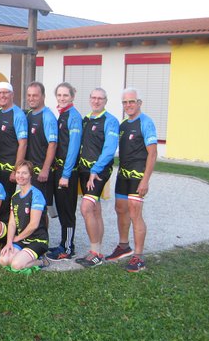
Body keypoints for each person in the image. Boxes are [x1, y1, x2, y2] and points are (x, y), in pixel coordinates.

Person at [108, 88, 158, 272]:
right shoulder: (123, 125)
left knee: (135, 212)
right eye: (125, 102)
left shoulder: (146, 122)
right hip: (123, 173)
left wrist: (145, 180)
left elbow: (152, 154)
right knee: (120, 208)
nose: (128, 105)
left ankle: (139, 256)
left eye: (131, 101)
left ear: (139, 103)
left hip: (138, 175)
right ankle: (123, 246)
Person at [75, 88, 120, 268]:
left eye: (100, 98)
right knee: (95, 209)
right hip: (84, 170)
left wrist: (96, 169)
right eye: (93, 97)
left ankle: (95, 253)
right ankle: (97, 250)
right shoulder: (86, 120)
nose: (96, 101)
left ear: (105, 101)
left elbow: (110, 150)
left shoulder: (110, 121)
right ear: (89, 99)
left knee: (86, 208)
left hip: (98, 171)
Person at [47, 82, 83, 261]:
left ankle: (68, 248)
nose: (62, 98)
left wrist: (66, 174)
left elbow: (73, 148)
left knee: (67, 211)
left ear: (72, 96)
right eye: (59, 95)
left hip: (67, 171)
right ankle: (63, 243)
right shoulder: (61, 114)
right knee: (60, 209)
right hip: (58, 169)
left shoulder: (73, 116)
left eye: (65, 96)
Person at [0, 160, 50, 270]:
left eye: (24, 173)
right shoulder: (15, 196)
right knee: (4, 260)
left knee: (16, 265)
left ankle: (42, 261)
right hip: (22, 240)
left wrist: (17, 238)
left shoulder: (36, 194)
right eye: (18, 172)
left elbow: (34, 225)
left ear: (30, 175)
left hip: (37, 239)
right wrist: (9, 243)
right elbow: (12, 223)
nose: (20, 176)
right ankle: (23, 255)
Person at [0, 81, 27, 201]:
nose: (2, 96)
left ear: (12, 94)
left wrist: (16, 170)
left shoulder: (18, 115)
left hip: (9, 168)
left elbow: (23, 144)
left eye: (5, 93)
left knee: (7, 202)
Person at [25, 81, 58, 206]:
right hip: (30, 169)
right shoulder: (29, 115)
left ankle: (42, 227)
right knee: (30, 205)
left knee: (41, 207)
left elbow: (53, 144)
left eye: (35, 95)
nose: (31, 98)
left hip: (41, 171)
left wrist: (45, 169)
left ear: (43, 96)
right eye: (29, 95)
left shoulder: (48, 117)